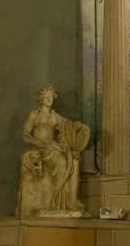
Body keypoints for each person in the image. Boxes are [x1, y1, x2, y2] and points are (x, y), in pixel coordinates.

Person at [17, 85, 90, 215]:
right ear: (41, 99)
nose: (49, 99)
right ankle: (58, 196)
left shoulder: (54, 116)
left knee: (74, 161)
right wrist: (36, 142)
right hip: (41, 149)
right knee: (62, 162)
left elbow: (68, 124)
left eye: (51, 97)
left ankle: (71, 200)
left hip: (54, 148)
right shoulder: (35, 114)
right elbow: (25, 135)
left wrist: (79, 126)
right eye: (46, 97)